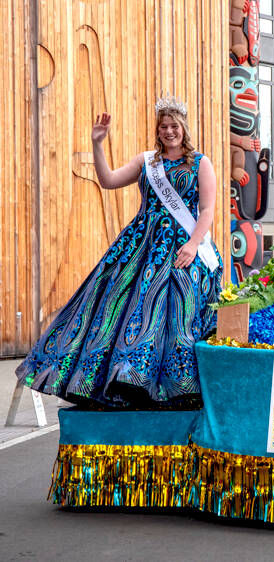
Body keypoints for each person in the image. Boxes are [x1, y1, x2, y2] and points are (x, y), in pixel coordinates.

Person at [16, 96, 222, 408]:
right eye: (163, 126)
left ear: (183, 128)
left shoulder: (200, 163)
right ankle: (126, 383)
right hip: (142, 244)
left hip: (183, 246)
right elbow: (108, 179)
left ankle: (180, 387)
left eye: (174, 126)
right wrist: (97, 144)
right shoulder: (147, 162)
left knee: (179, 311)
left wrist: (193, 245)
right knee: (124, 307)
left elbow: (207, 209)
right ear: (158, 130)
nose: (169, 131)